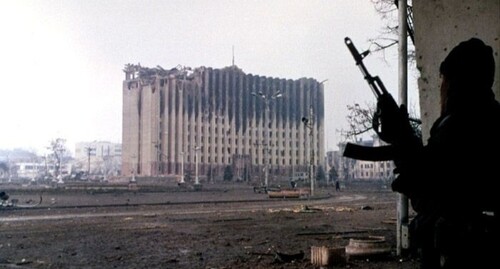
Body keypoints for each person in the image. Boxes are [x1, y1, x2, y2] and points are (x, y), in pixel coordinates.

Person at [390, 38, 500, 269]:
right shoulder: (491, 117)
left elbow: (429, 181)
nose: (441, 88)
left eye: (444, 81)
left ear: (456, 84)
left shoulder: (458, 125)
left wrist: (400, 137)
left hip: (466, 247)